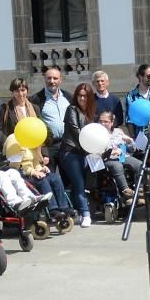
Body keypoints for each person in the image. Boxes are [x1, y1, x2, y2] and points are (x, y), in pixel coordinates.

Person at [58, 83, 96, 227]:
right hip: (71, 152)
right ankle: (85, 214)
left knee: (83, 184)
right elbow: (75, 131)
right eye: (79, 95)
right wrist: (90, 149)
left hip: (84, 152)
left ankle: (78, 212)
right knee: (79, 183)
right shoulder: (72, 109)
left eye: (85, 96)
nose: (82, 98)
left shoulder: (91, 112)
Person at [30, 66, 72, 166]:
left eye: (55, 78)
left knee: (68, 178)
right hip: (49, 147)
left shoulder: (69, 97)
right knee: (51, 177)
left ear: (60, 80)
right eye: (49, 78)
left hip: (67, 145)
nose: (52, 81)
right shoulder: (36, 99)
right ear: (45, 79)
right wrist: (42, 151)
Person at [99, 110, 142, 204]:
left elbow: (133, 148)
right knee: (117, 165)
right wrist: (111, 151)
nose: (102, 124)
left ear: (111, 122)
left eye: (106, 121)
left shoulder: (118, 131)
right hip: (108, 158)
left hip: (123, 156)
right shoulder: (97, 134)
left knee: (139, 164)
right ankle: (126, 192)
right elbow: (97, 152)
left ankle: (140, 190)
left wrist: (130, 141)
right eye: (101, 121)